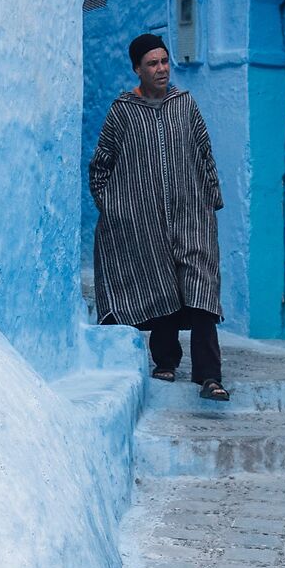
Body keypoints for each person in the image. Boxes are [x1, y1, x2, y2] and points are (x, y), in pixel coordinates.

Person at [88, 33, 230, 401]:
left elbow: (204, 151)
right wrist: (116, 206)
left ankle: (209, 376)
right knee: (159, 279)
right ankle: (165, 359)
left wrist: (212, 197)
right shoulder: (123, 112)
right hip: (143, 219)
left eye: (165, 61)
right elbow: (101, 165)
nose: (162, 69)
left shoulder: (185, 104)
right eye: (153, 64)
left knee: (201, 288)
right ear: (137, 69)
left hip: (191, 213)